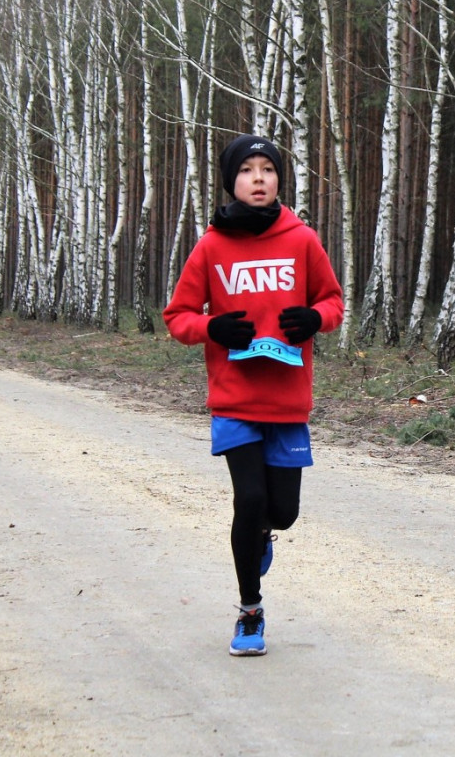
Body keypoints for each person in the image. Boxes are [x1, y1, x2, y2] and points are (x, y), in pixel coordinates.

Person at [163, 134, 344, 656]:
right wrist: (214, 329)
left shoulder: (302, 241)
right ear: (231, 182)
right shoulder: (212, 246)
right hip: (235, 400)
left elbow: (332, 302)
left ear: (279, 180)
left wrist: (314, 318)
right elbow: (178, 317)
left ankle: (261, 535)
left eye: (268, 169)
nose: (259, 178)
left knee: (281, 512)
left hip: (287, 403)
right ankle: (250, 612)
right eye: (248, 170)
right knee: (251, 499)